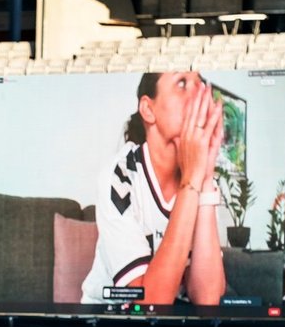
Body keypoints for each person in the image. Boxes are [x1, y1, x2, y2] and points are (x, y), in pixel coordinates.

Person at [82, 72, 227, 305]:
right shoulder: (120, 176)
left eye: (200, 85)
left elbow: (207, 299)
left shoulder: (201, 177)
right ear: (148, 109)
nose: (198, 94)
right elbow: (149, 303)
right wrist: (192, 181)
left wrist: (206, 176)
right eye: (182, 83)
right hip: (109, 323)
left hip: (166, 326)